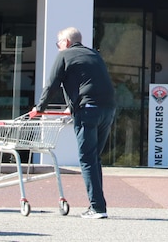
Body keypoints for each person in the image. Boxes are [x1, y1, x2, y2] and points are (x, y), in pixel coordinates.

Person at [31, 27, 116, 219]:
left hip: (88, 111)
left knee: (87, 159)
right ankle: (98, 205)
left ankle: (97, 207)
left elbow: (52, 83)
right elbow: (90, 82)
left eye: (58, 43)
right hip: (108, 108)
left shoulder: (65, 55)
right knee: (94, 157)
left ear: (66, 42)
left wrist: (40, 108)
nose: (58, 47)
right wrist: (71, 106)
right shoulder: (94, 54)